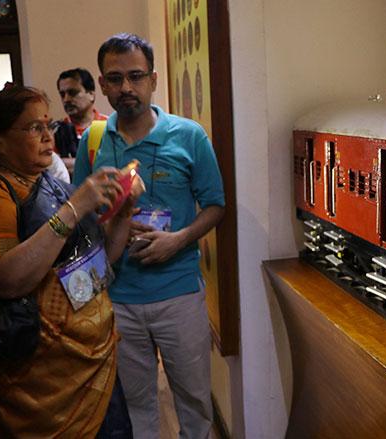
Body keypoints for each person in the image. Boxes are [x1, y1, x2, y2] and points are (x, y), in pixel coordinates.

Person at [0, 85, 143, 437]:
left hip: (93, 357)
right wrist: (75, 208)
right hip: (44, 378)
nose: (49, 136)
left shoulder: (51, 183)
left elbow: (100, 263)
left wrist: (123, 212)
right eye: (34, 128)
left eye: (48, 125)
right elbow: (7, 279)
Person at [74, 33, 225, 439]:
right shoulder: (91, 142)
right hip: (118, 298)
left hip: (179, 294)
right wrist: (112, 224)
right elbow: (80, 215)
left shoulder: (189, 136)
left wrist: (178, 239)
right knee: (135, 404)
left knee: (194, 401)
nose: (126, 88)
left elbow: (215, 206)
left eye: (136, 76)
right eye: (116, 78)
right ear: (102, 85)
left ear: (153, 80)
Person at [56, 68, 109, 173]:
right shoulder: (55, 131)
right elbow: (51, 168)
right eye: (62, 95)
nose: (66, 99)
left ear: (91, 95)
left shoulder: (110, 127)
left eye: (72, 93)